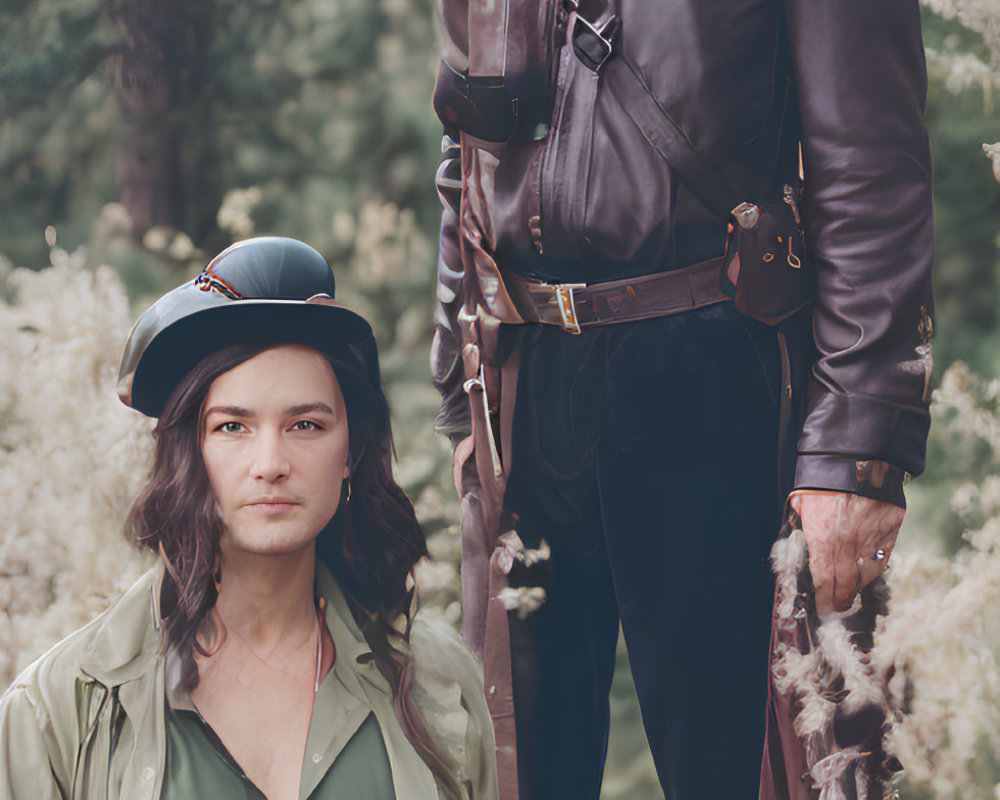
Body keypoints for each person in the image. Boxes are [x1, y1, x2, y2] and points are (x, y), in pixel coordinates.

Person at [430, 0, 934, 798]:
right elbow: (463, 143)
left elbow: (874, 163)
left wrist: (858, 445)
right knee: (512, 769)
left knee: (757, 769)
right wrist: (461, 390)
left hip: (714, 368)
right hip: (524, 374)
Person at [0, 237, 497, 800]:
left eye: (305, 424)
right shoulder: (58, 712)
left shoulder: (437, 683)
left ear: (349, 454)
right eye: (232, 427)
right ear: (190, 453)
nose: (271, 465)